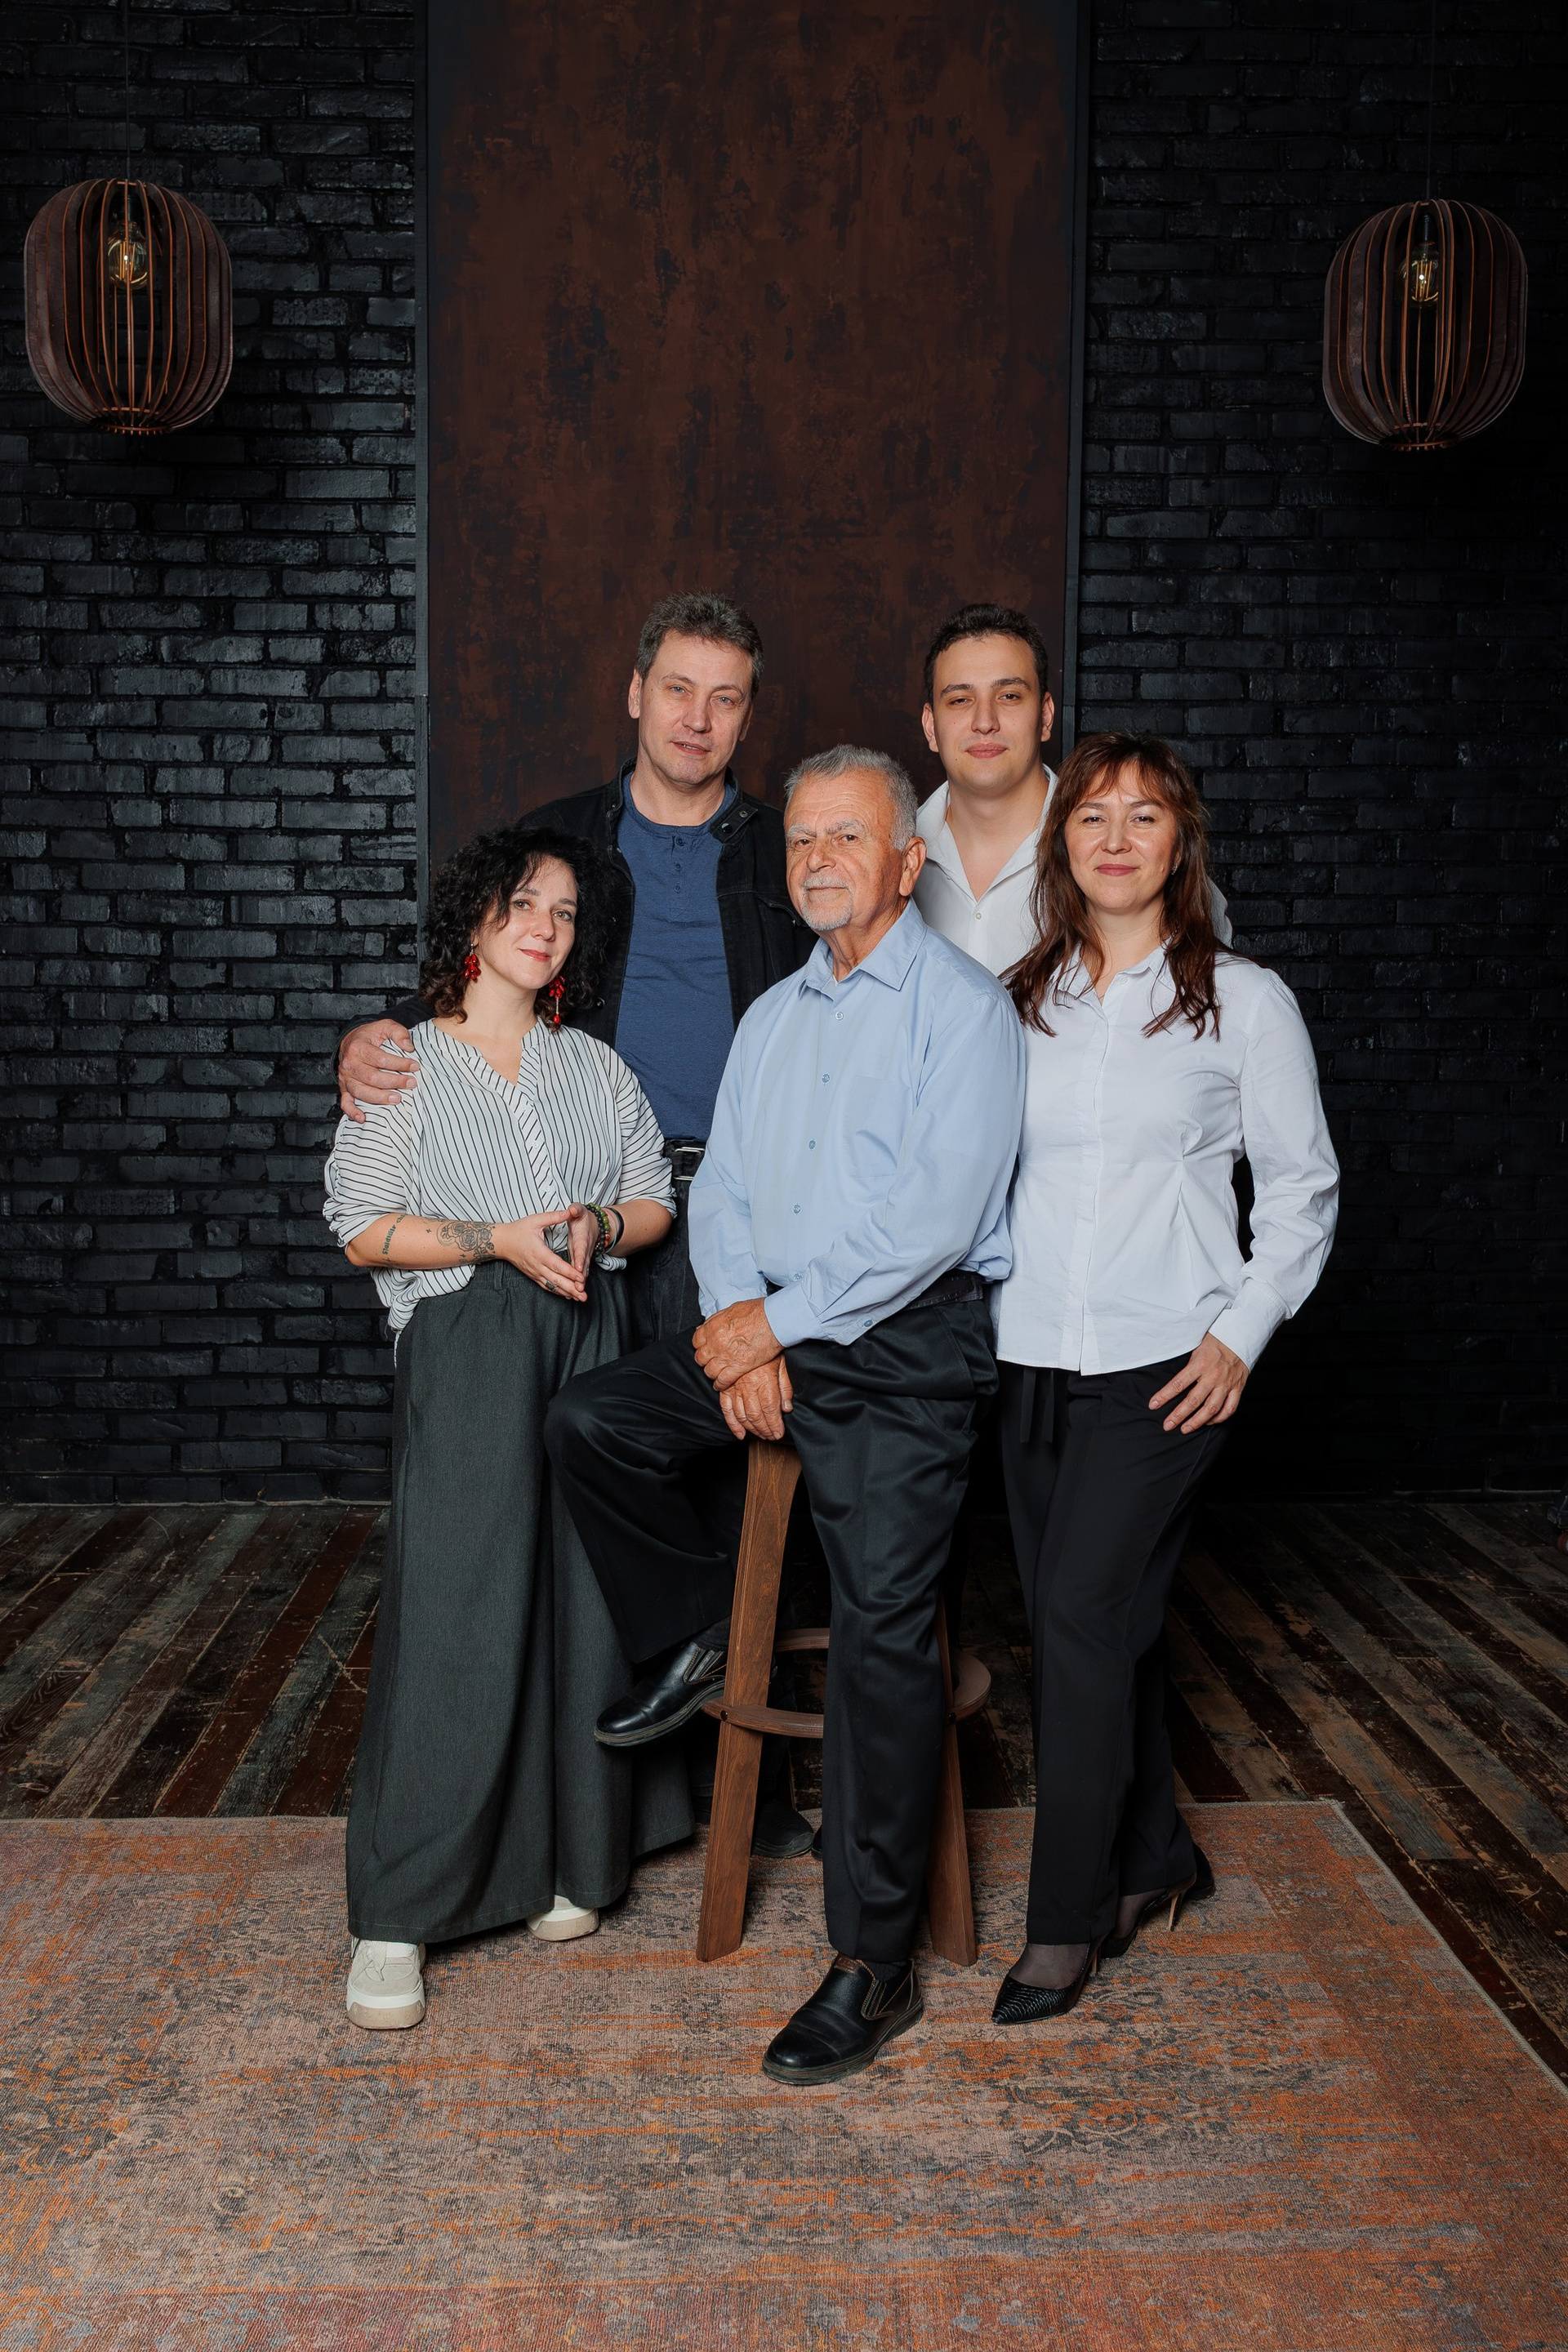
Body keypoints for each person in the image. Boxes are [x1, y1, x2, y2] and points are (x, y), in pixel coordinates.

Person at [545, 746, 1026, 2084]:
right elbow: (728, 1197)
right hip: (780, 1324)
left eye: (846, 838)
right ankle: (702, 1628)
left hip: (907, 1344)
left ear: (907, 862)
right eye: (802, 839)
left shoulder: (965, 1011)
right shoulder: (772, 1019)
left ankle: (873, 1962)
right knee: (593, 1425)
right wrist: (742, 1324)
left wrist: (780, 1323)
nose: (816, 860)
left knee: (882, 1630)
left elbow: (933, 1221)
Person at [334, 590, 816, 1858]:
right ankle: (606, 1796)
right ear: (635, 693)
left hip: (737, 1201)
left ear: (749, 717)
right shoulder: (563, 841)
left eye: (726, 698)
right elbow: (473, 981)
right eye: (678, 689)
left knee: (742, 1468)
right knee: (593, 1469)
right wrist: (371, 1039)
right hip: (585, 1210)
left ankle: (747, 1784)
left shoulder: (786, 851)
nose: (698, 718)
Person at [987, 733, 1339, 2025]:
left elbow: (1301, 1188)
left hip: (1169, 1363)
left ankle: (1065, 1920)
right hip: (1029, 1354)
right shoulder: (1019, 1000)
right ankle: (1154, 1856)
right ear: (1062, 843)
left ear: (1179, 841)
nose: (1118, 838)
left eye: (1145, 816)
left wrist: (1240, 1333)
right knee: (1093, 1623)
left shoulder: (1244, 1000)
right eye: (1094, 816)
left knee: (1081, 1616)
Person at [323, 824, 692, 2033]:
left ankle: (569, 1855)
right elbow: (361, 1226)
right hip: (471, 1339)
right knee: (460, 1603)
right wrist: (497, 1239)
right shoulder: (404, 1061)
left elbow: (653, 1200)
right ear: (473, 922)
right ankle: (398, 1910)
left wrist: (595, 1224)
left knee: (581, 1592)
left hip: (591, 1329)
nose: (545, 927)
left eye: (565, 912)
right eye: (524, 904)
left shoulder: (595, 1068)